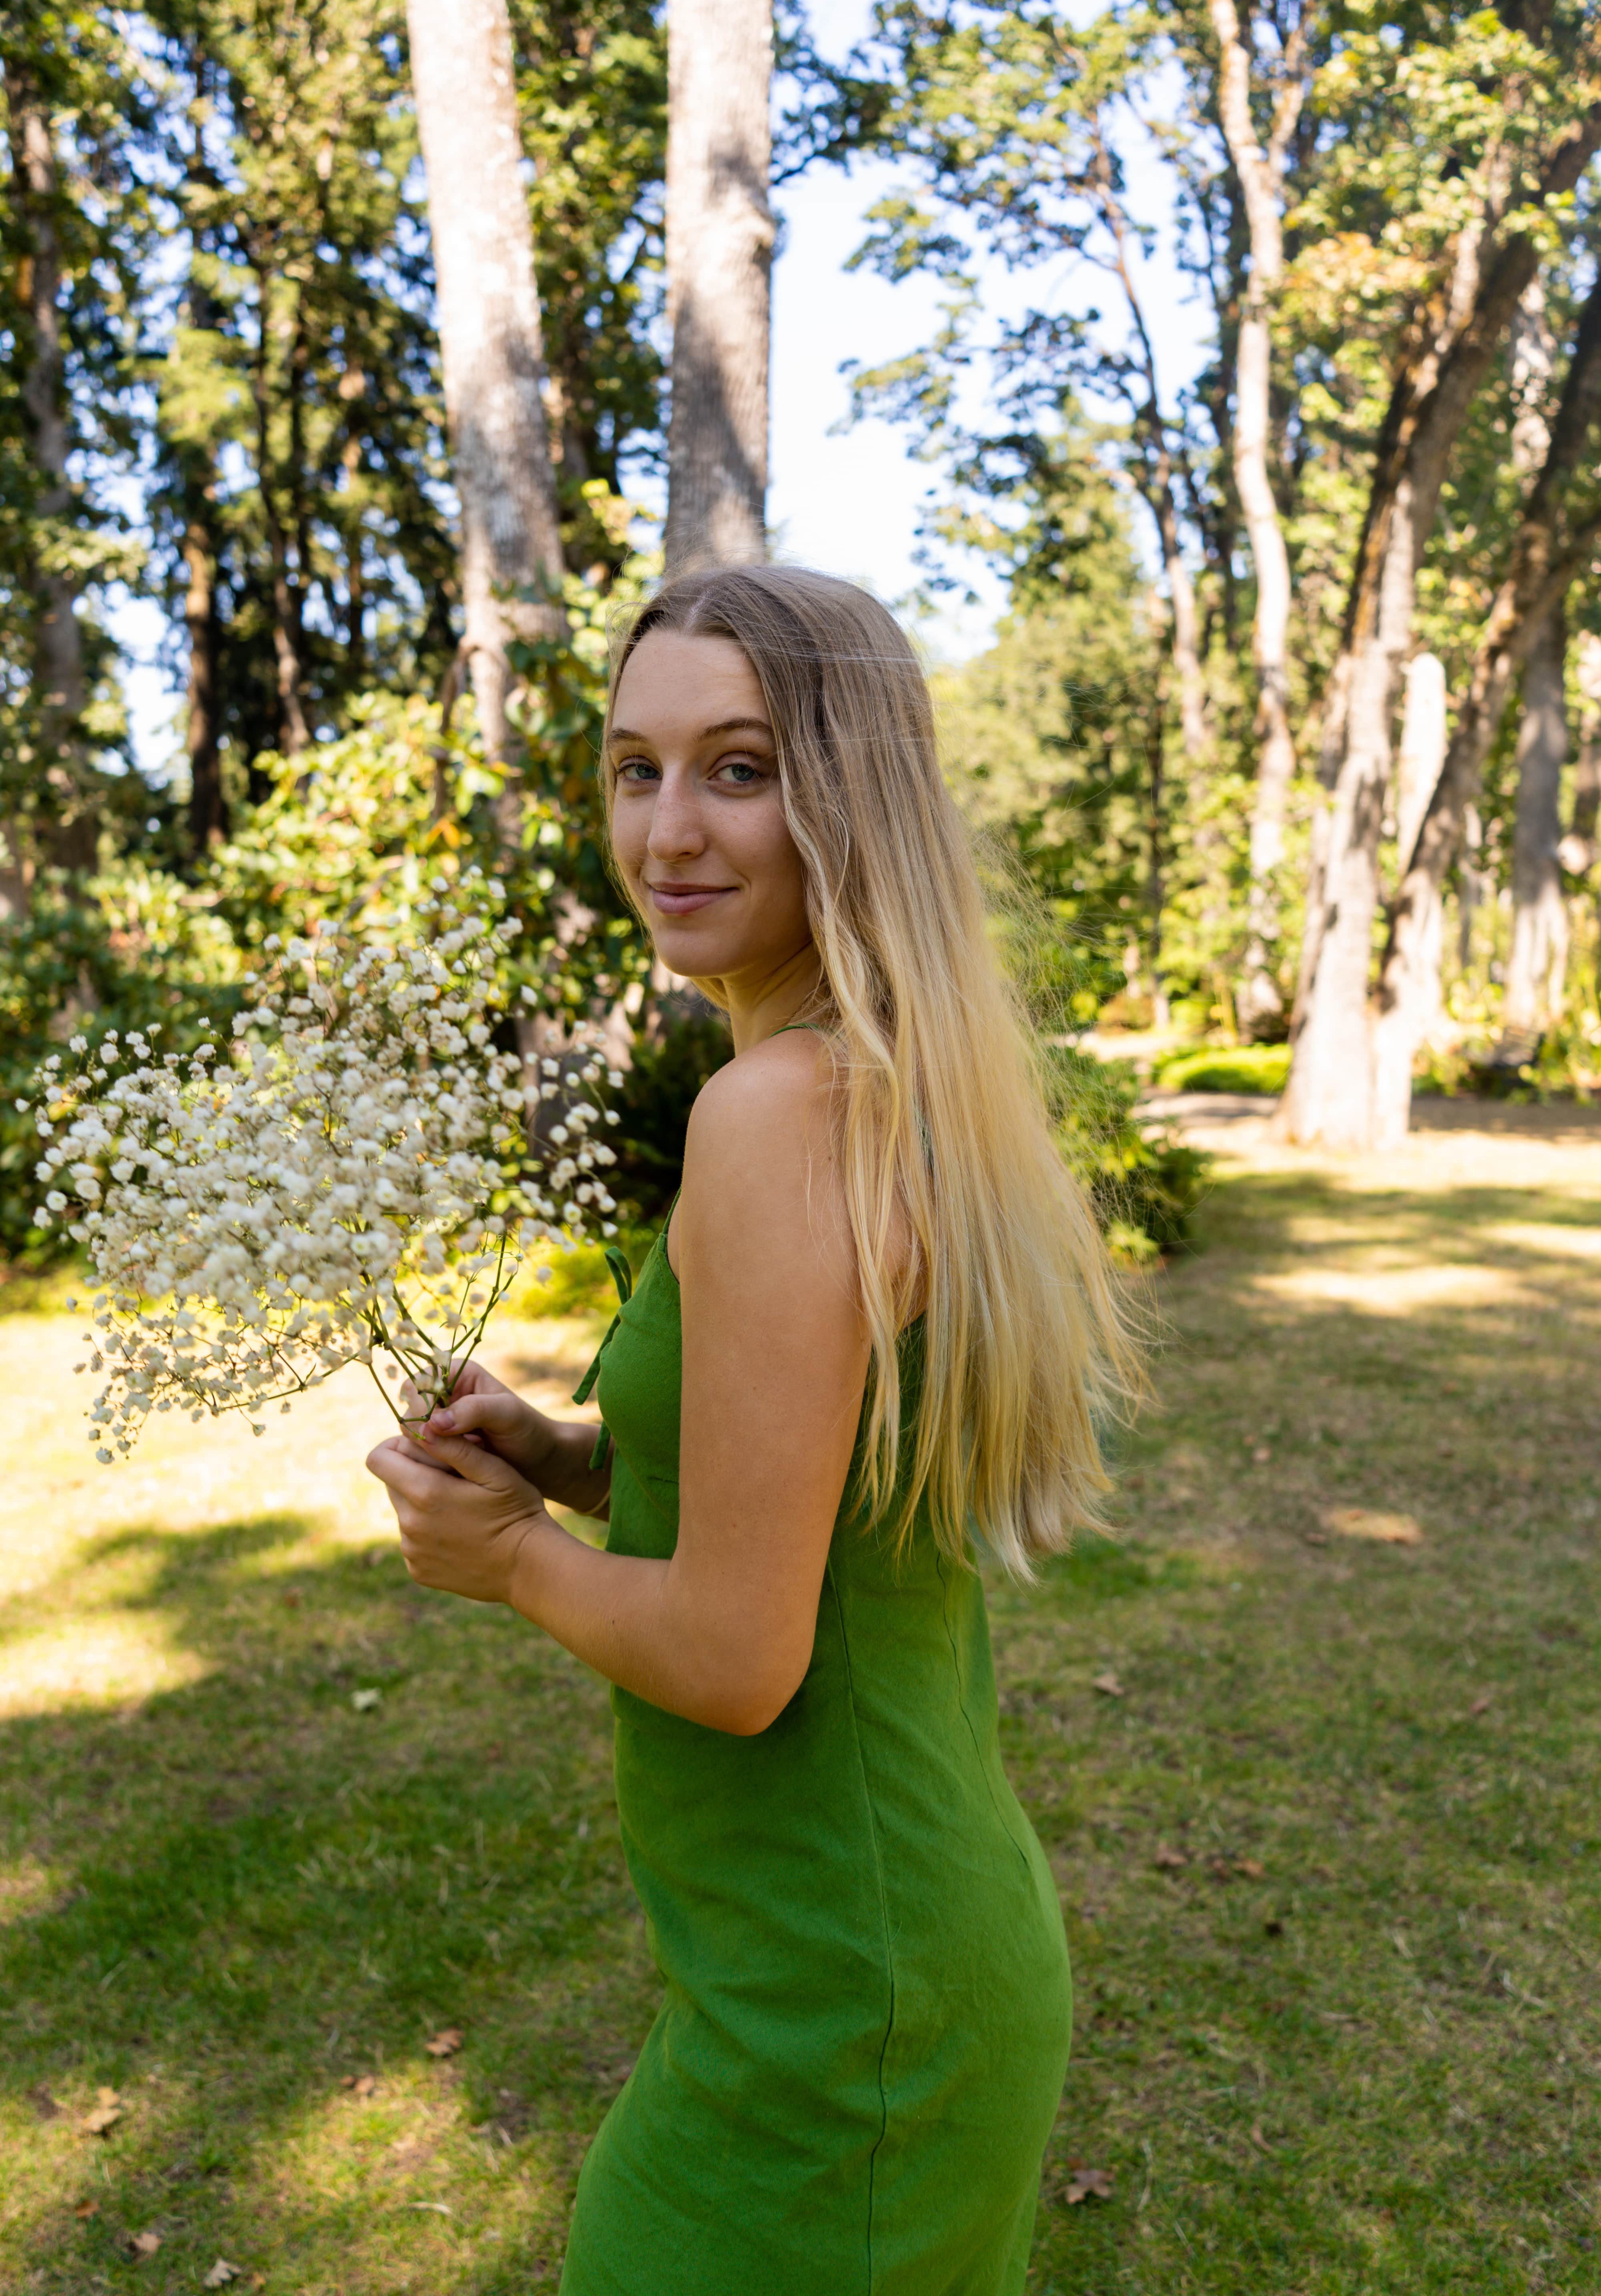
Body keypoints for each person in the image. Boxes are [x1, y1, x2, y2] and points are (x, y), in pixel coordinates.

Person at [366, 563, 1136, 2296]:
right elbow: (823, 1485)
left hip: (839, 2015)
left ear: (849, 796)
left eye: (737, 768)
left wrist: (511, 1559)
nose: (668, 832)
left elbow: (734, 1657)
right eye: (634, 770)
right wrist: (575, 1460)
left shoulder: (780, 1113)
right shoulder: (883, 1080)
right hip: (879, 1953)